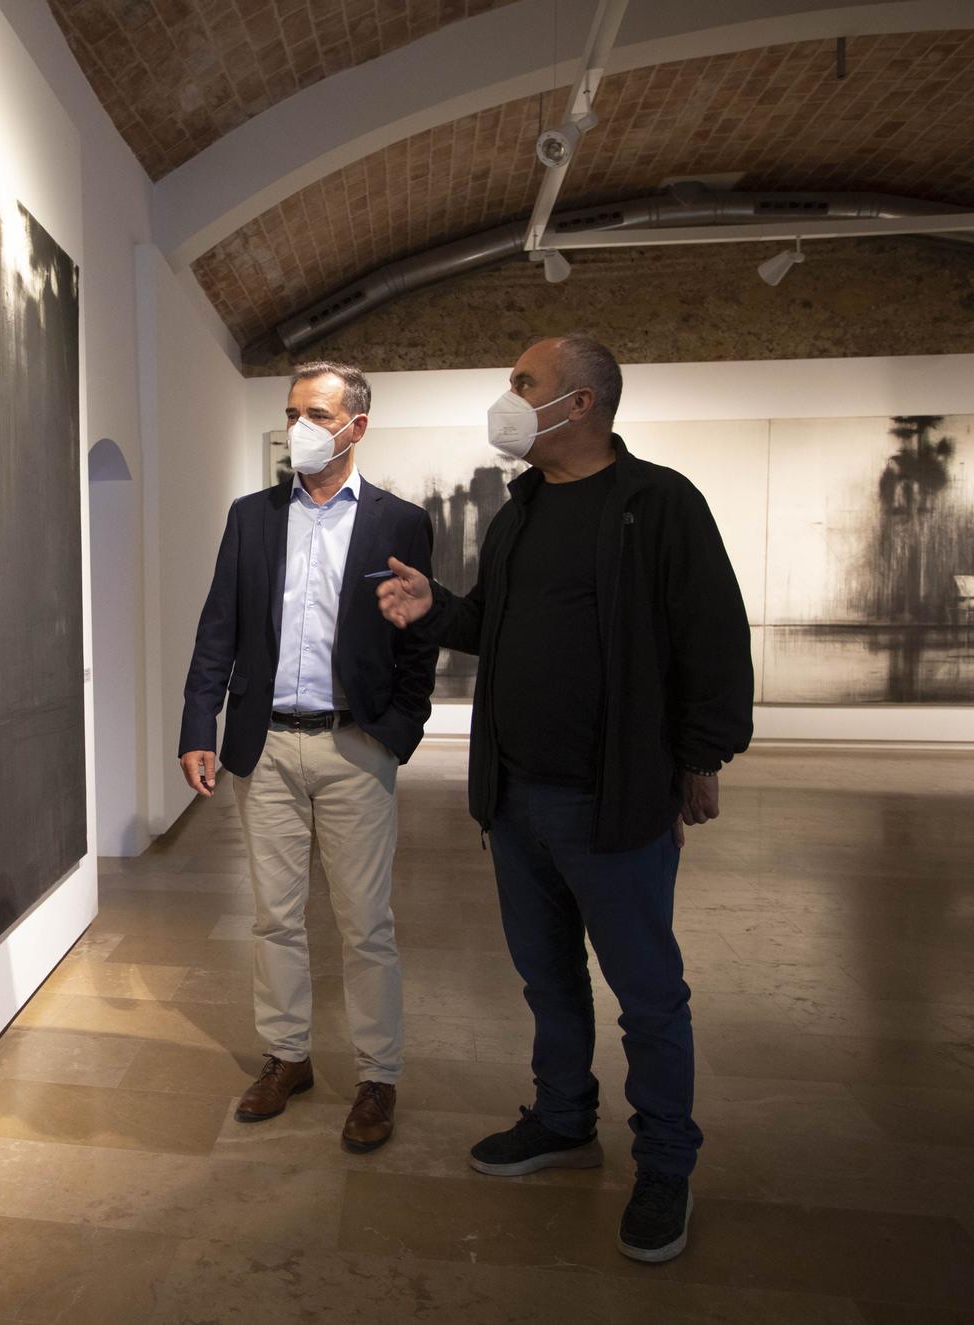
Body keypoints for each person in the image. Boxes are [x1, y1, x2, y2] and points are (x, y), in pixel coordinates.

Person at [377, 334, 752, 1262]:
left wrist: (704, 753)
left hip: (611, 800)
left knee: (649, 994)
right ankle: (563, 1121)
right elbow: (498, 627)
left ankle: (665, 1161)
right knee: (546, 979)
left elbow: (713, 635)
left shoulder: (658, 504)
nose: (508, 398)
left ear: (579, 404)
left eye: (524, 383)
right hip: (515, 798)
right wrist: (440, 607)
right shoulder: (523, 508)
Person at [180, 360, 439, 1152]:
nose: (300, 426)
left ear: (356, 425)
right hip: (266, 745)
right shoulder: (252, 516)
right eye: (293, 410)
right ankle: (288, 1056)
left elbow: (417, 640)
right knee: (275, 916)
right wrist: (200, 725)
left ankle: (376, 1076)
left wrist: (395, 732)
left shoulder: (400, 521)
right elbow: (218, 624)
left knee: (366, 925)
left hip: (353, 745)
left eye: (317, 413)